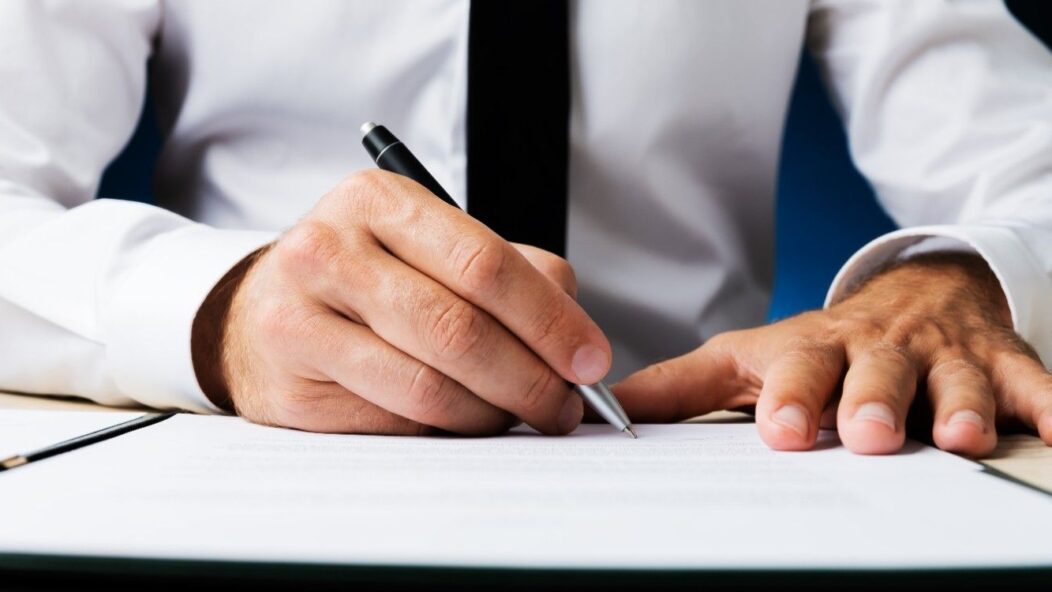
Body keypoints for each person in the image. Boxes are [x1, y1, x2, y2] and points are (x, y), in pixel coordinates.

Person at [1, 0, 1050, 458]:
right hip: (259, 460)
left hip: (696, 480)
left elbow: (1028, 157)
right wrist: (219, 314)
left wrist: (959, 281)